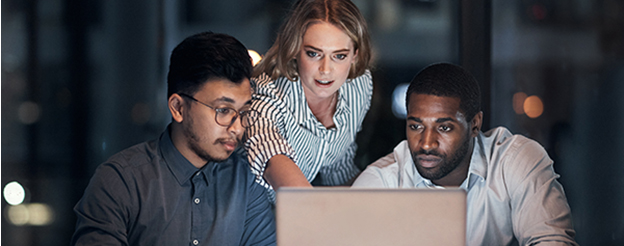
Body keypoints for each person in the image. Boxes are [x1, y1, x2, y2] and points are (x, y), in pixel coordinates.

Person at [71, 32, 276, 246]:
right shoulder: (121, 181)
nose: (237, 127)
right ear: (178, 108)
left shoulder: (245, 181)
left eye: (244, 112)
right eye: (223, 110)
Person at [352, 63, 577, 245]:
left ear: (475, 125)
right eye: (416, 126)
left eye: (444, 128)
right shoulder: (381, 182)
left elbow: (553, 241)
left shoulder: (515, 160)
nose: (427, 143)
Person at [245, 0, 373, 200]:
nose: (326, 69)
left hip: (303, 212)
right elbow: (270, 157)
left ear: (355, 55)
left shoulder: (357, 86)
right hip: (249, 216)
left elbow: (338, 167)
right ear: (295, 49)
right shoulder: (267, 94)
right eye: (314, 54)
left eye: (339, 56)